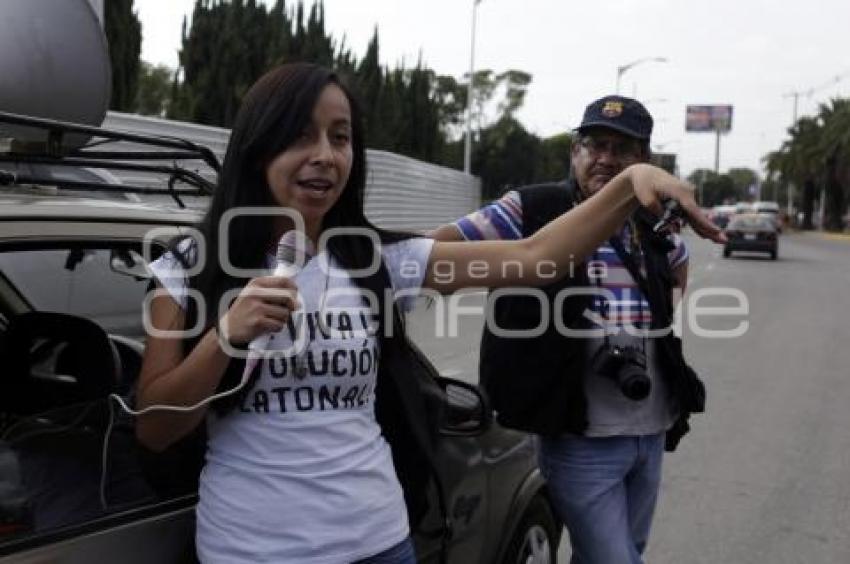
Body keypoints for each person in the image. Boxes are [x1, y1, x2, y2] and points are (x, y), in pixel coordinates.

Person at [136, 65, 721, 564]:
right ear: (259, 145)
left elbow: (536, 257)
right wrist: (225, 337)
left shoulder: (380, 260)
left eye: (340, 138)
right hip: (252, 549)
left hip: (379, 541)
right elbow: (155, 426)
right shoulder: (189, 265)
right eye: (300, 136)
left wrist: (629, 186)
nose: (324, 156)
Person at [430, 95, 704, 563]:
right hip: (578, 434)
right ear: (575, 152)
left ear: (643, 162)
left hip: (651, 428)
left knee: (623, 551)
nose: (605, 159)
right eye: (595, 144)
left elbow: (678, 274)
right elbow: (435, 252)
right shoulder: (531, 209)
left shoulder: (655, 224)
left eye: (622, 149)